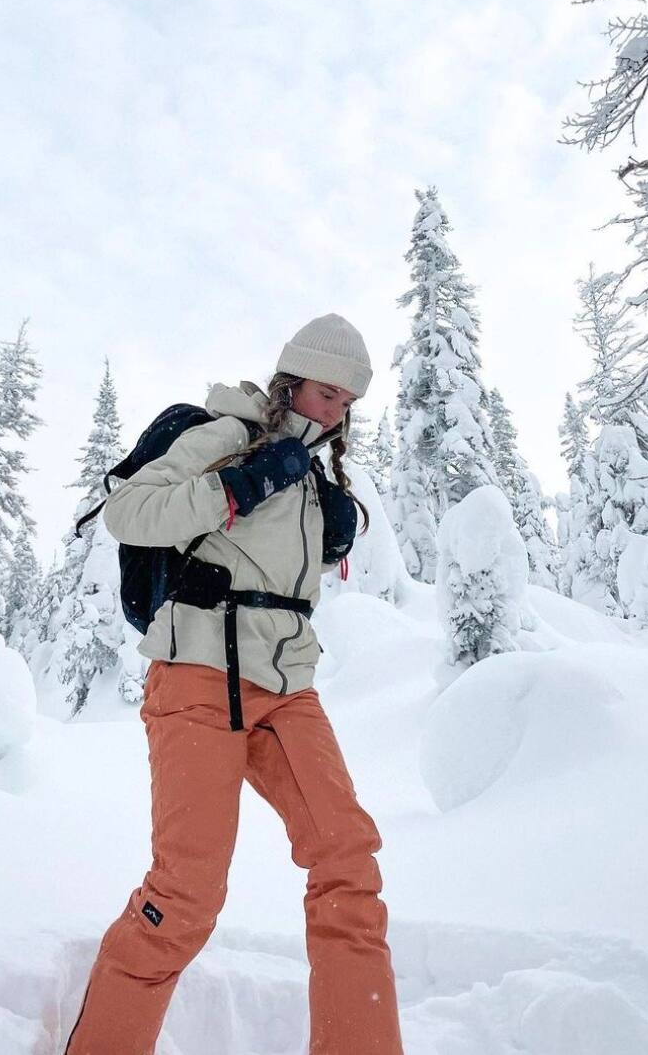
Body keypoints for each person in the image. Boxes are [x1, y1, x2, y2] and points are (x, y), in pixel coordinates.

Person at [64, 313, 404, 1055]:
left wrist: (333, 530)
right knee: (186, 895)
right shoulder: (231, 434)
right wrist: (238, 484)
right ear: (290, 381)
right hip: (198, 678)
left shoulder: (314, 472)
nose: (334, 410)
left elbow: (272, 568)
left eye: (347, 401)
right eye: (324, 391)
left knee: (348, 860)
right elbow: (129, 512)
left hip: (288, 687)